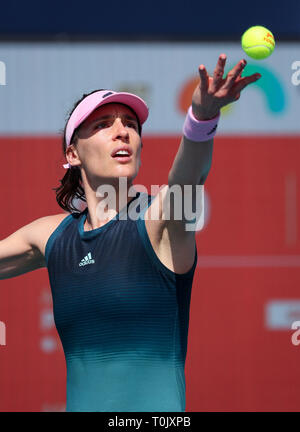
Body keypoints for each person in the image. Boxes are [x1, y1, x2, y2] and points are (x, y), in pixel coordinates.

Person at [0, 54, 261, 412]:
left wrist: (201, 117)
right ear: (73, 153)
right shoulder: (52, 237)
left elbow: (188, 179)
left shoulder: (157, 222)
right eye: (104, 124)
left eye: (131, 125)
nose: (123, 130)